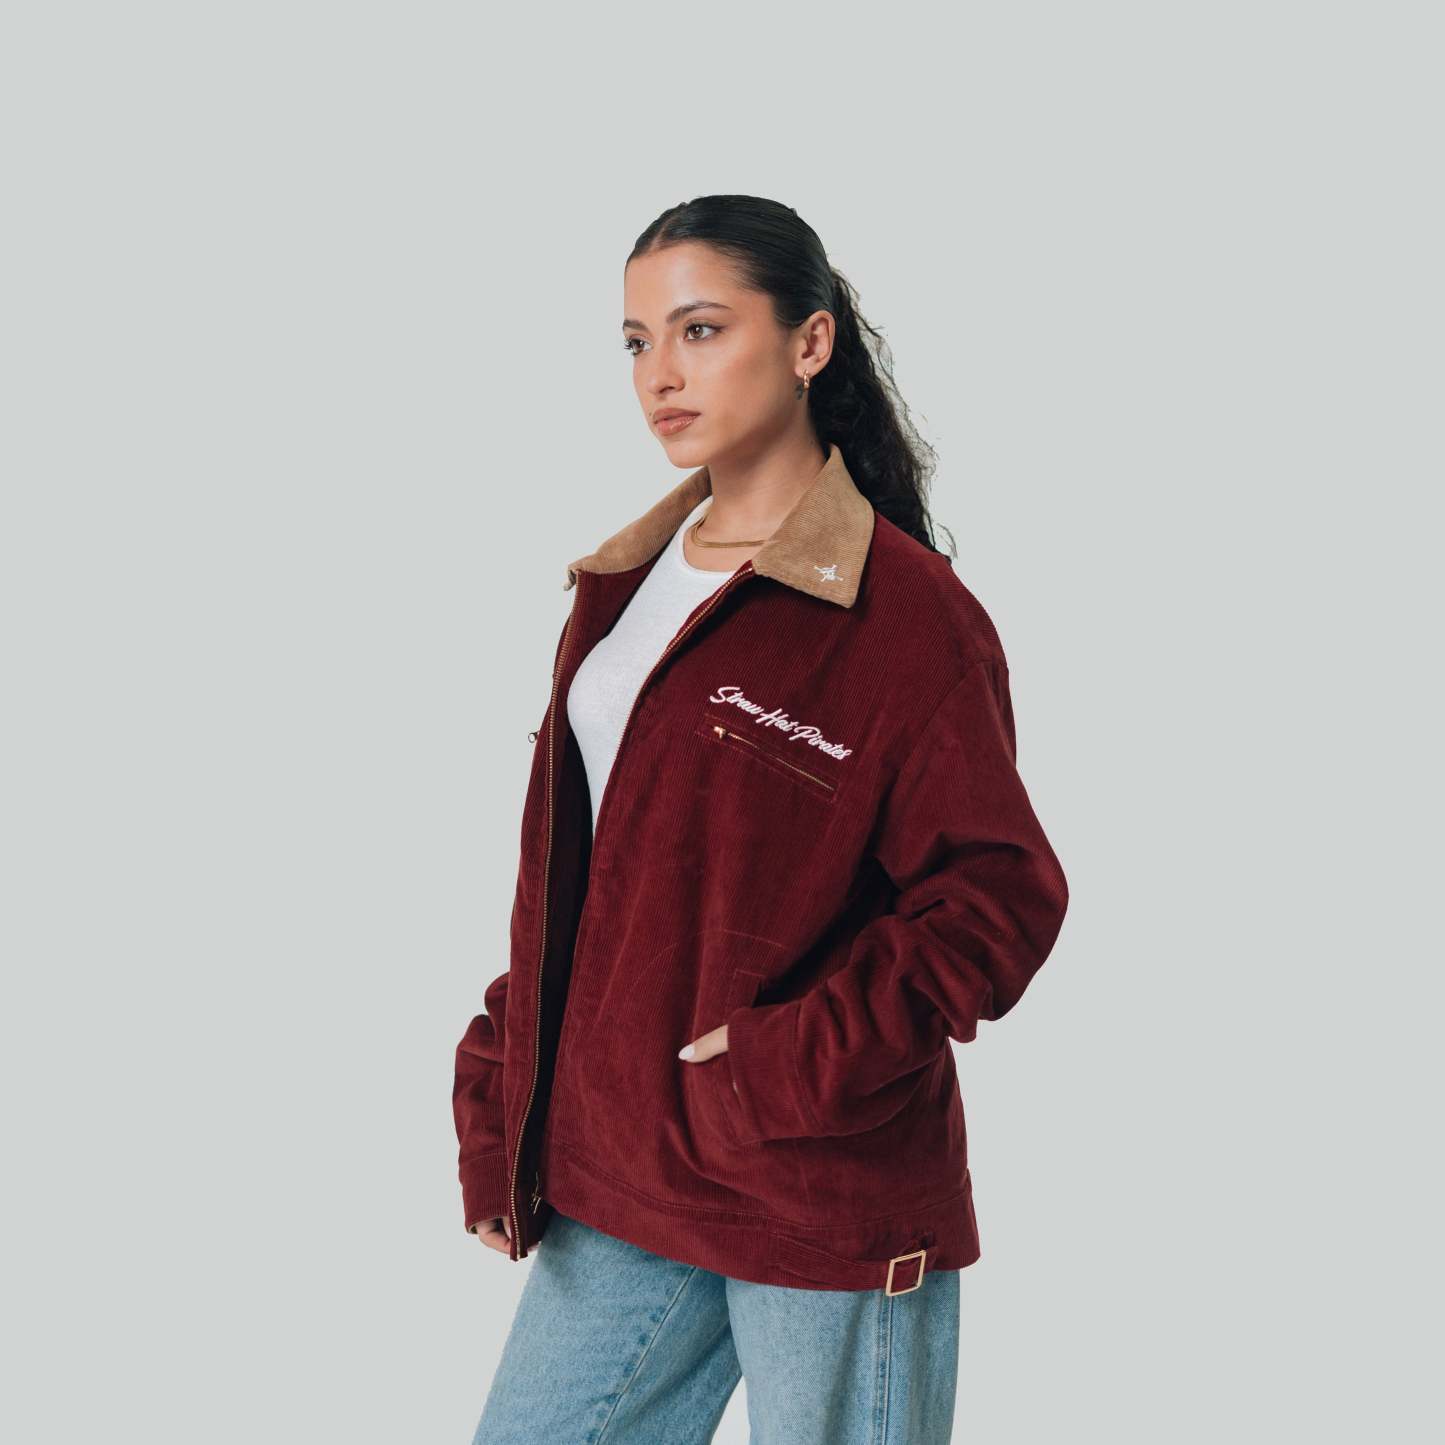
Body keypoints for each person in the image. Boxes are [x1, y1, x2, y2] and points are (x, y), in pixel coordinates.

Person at [453, 194, 1070, 1444]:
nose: (659, 374)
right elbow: (588, 878)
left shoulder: (907, 618)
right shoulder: (620, 590)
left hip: (815, 1183)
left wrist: (781, 1064)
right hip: (623, 1168)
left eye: (699, 329)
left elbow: (994, 898)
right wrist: (503, 1084)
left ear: (808, 342)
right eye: (636, 341)